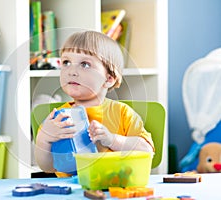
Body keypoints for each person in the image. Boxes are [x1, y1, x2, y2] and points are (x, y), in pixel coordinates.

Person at [34, 30, 154, 177]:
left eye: (85, 64)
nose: (71, 71)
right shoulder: (58, 118)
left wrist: (112, 140)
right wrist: (44, 139)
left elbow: (147, 151)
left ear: (109, 78)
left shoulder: (123, 113)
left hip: (114, 187)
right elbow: (48, 167)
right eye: (66, 62)